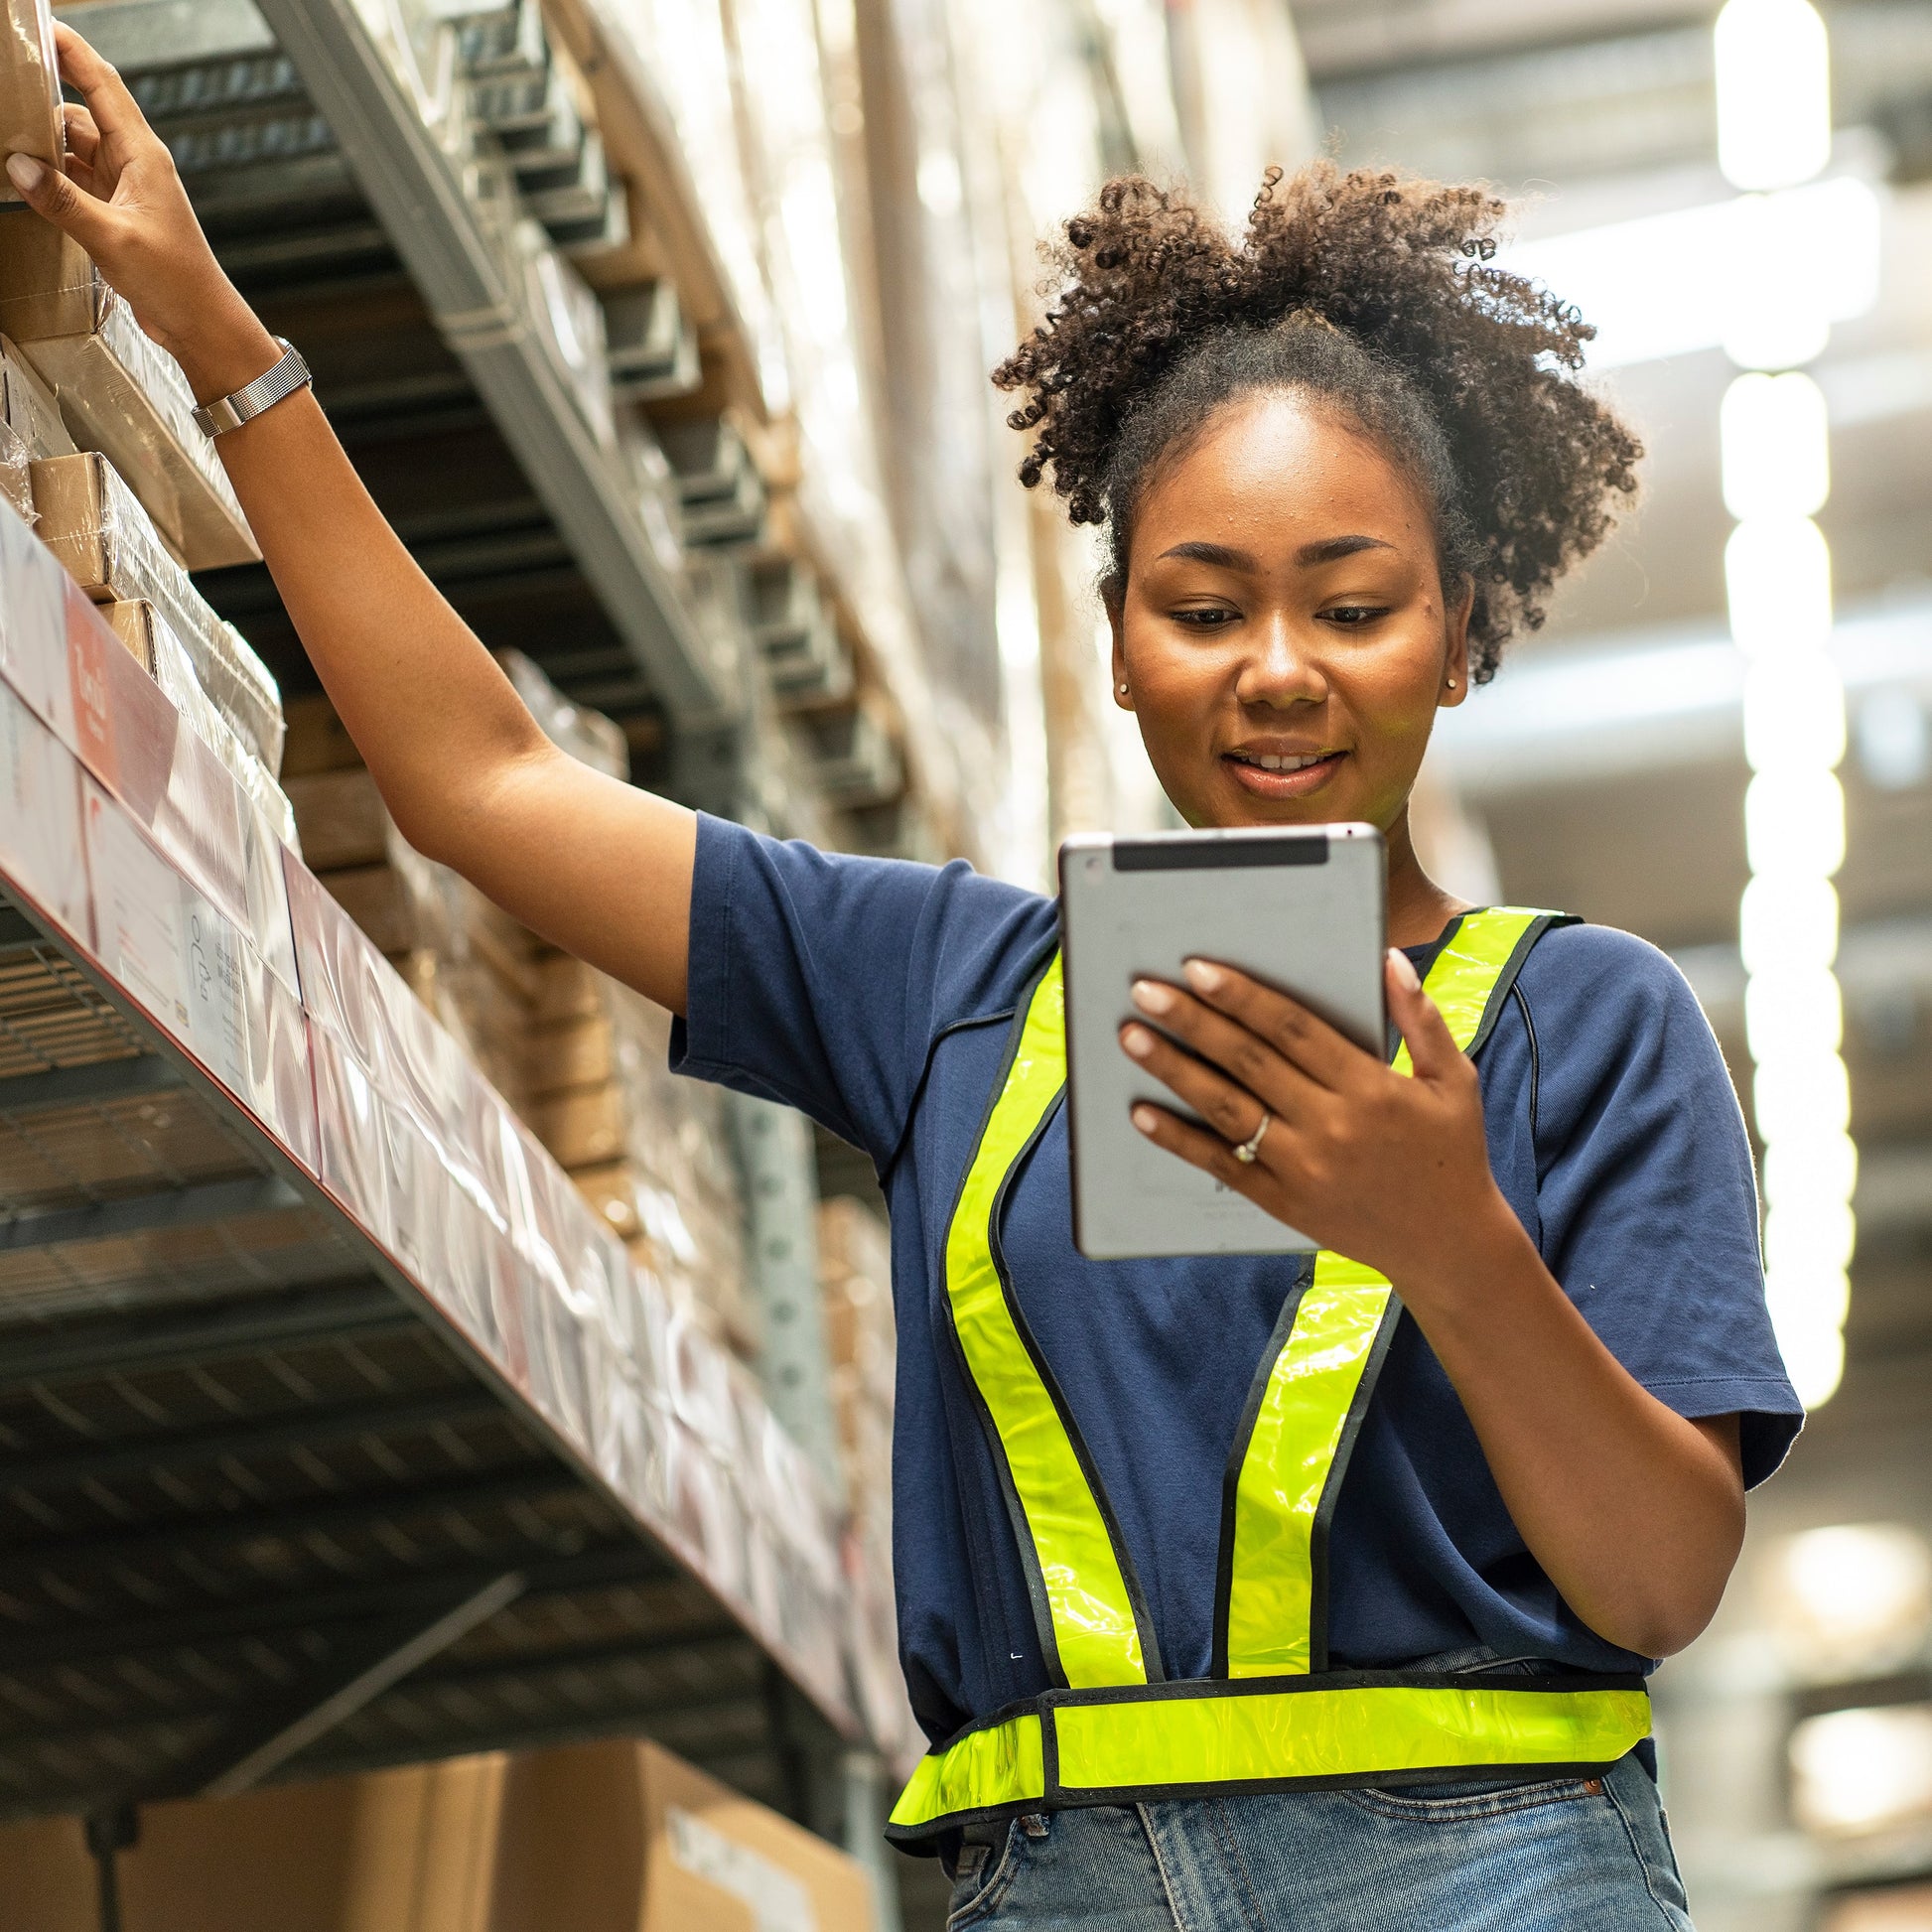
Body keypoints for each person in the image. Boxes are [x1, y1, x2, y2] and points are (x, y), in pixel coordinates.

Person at [13, 30, 1803, 1928]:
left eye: (1353, 606)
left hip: (1497, 1872)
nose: (1275, 668)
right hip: (1055, 1881)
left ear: (1459, 639)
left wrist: (1445, 1232)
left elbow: (1659, 1580)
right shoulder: (944, 986)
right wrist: (218, 340)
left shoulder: (1584, 1021)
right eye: (1201, 608)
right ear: (1117, 644)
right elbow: (482, 786)